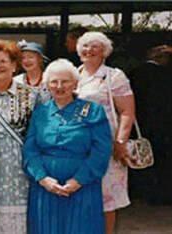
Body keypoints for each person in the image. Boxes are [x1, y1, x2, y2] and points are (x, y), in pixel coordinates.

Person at [23, 58, 112, 234]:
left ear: (75, 84)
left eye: (65, 81)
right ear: (47, 85)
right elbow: (30, 149)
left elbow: (101, 151)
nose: (59, 86)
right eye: (54, 82)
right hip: (46, 186)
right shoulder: (40, 112)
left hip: (82, 184)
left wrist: (78, 180)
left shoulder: (93, 111)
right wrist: (42, 178)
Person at [0, 39, 50, 234]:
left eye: (3, 61)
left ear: (15, 65)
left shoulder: (33, 95)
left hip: (20, 170)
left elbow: (43, 133)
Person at [75, 32, 136, 234]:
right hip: (76, 147)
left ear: (105, 52)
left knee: (105, 199)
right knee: (79, 194)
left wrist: (120, 141)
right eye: (85, 45)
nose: (89, 50)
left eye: (95, 46)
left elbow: (127, 112)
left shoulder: (114, 76)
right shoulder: (74, 75)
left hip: (106, 146)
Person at [129, 45, 172, 204]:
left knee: (140, 155)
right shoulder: (166, 74)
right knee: (162, 159)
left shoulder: (134, 73)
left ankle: (139, 191)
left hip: (140, 123)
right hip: (163, 123)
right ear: (161, 58)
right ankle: (160, 194)